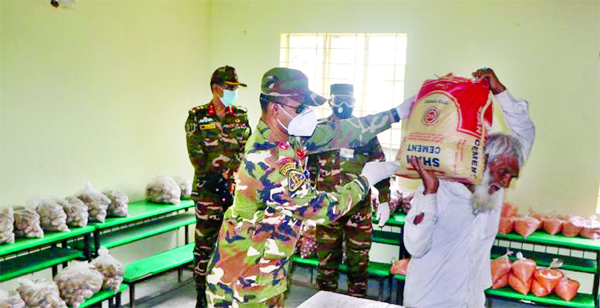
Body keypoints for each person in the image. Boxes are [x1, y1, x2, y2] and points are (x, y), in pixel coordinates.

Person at [205, 67, 412, 307]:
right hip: (241, 284)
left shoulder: (288, 137)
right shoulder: (268, 158)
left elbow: (341, 131)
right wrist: (364, 181)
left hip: (265, 272)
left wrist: (395, 114)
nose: (307, 114)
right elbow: (319, 208)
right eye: (300, 107)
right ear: (275, 109)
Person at [402, 68, 536, 308]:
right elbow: (414, 246)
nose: (506, 182)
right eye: (503, 172)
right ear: (483, 161)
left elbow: (525, 132)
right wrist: (429, 194)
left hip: (471, 301)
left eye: (512, 176)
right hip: (429, 301)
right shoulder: (440, 188)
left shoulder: (494, 185)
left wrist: (499, 91)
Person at [306, 83, 392, 298]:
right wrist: (307, 201)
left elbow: (378, 165)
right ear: (331, 101)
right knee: (326, 263)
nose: (343, 106)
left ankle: (357, 302)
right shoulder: (320, 130)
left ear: (354, 102)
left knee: (359, 264)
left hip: (359, 209)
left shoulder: (365, 131)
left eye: (348, 101)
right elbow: (309, 169)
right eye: (338, 101)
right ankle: (325, 301)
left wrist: (384, 199)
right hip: (328, 208)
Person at [185, 65, 252, 308]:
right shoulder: (197, 115)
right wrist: (219, 177)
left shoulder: (241, 114)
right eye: (230, 87)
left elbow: (247, 149)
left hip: (235, 193)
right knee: (204, 246)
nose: (234, 92)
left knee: (234, 244)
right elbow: (196, 155)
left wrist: (234, 176)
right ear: (216, 88)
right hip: (207, 193)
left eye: (236, 88)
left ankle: (229, 293)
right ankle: (202, 296)